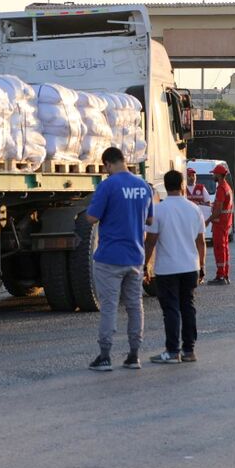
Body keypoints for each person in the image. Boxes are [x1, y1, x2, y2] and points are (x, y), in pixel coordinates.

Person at [85, 146, 154, 371]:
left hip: (109, 258)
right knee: (135, 306)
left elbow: (92, 218)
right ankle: (134, 355)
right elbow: (150, 220)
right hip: (135, 257)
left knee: (109, 306)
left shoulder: (108, 185)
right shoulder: (144, 186)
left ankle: (105, 355)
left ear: (107, 164)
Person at [144, 170, 206, 364]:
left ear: (165, 185)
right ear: (182, 186)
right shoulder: (194, 209)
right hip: (190, 267)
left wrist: (145, 265)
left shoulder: (159, 210)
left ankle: (172, 352)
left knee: (171, 309)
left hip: (167, 269)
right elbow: (201, 241)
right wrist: (202, 265)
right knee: (188, 307)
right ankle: (189, 351)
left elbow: (151, 241)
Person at [207, 162, 234, 285]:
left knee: (219, 249)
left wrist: (207, 220)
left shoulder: (221, 189)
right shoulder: (227, 187)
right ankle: (225, 275)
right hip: (225, 223)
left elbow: (218, 211)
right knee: (224, 249)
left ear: (219, 174)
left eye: (214, 174)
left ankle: (220, 276)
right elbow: (223, 206)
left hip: (219, 224)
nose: (213, 175)